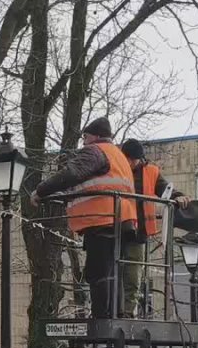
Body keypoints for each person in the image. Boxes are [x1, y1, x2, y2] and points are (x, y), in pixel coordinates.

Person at [32, 116, 137, 319]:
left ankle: (102, 316)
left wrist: (41, 191)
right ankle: (116, 313)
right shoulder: (118, 155)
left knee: (98, 271)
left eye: (85, 137)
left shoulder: (95, 151)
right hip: (122, 220)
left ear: (95, 136)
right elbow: (91, 184)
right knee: (113, 269)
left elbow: (71, 173)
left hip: (102, 218)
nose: (84, 142)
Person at [119, 139, 185, 318]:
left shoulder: (151, 172)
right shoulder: (117, 169)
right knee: (113, 272)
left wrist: (178, 196)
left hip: (138, 233)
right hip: (116, 230)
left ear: (140, 158)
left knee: (133, 275)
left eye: (134, 159)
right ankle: (113, 309)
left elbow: (164, 189)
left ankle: (127, 312)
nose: (131, 163)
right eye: (128, 159)